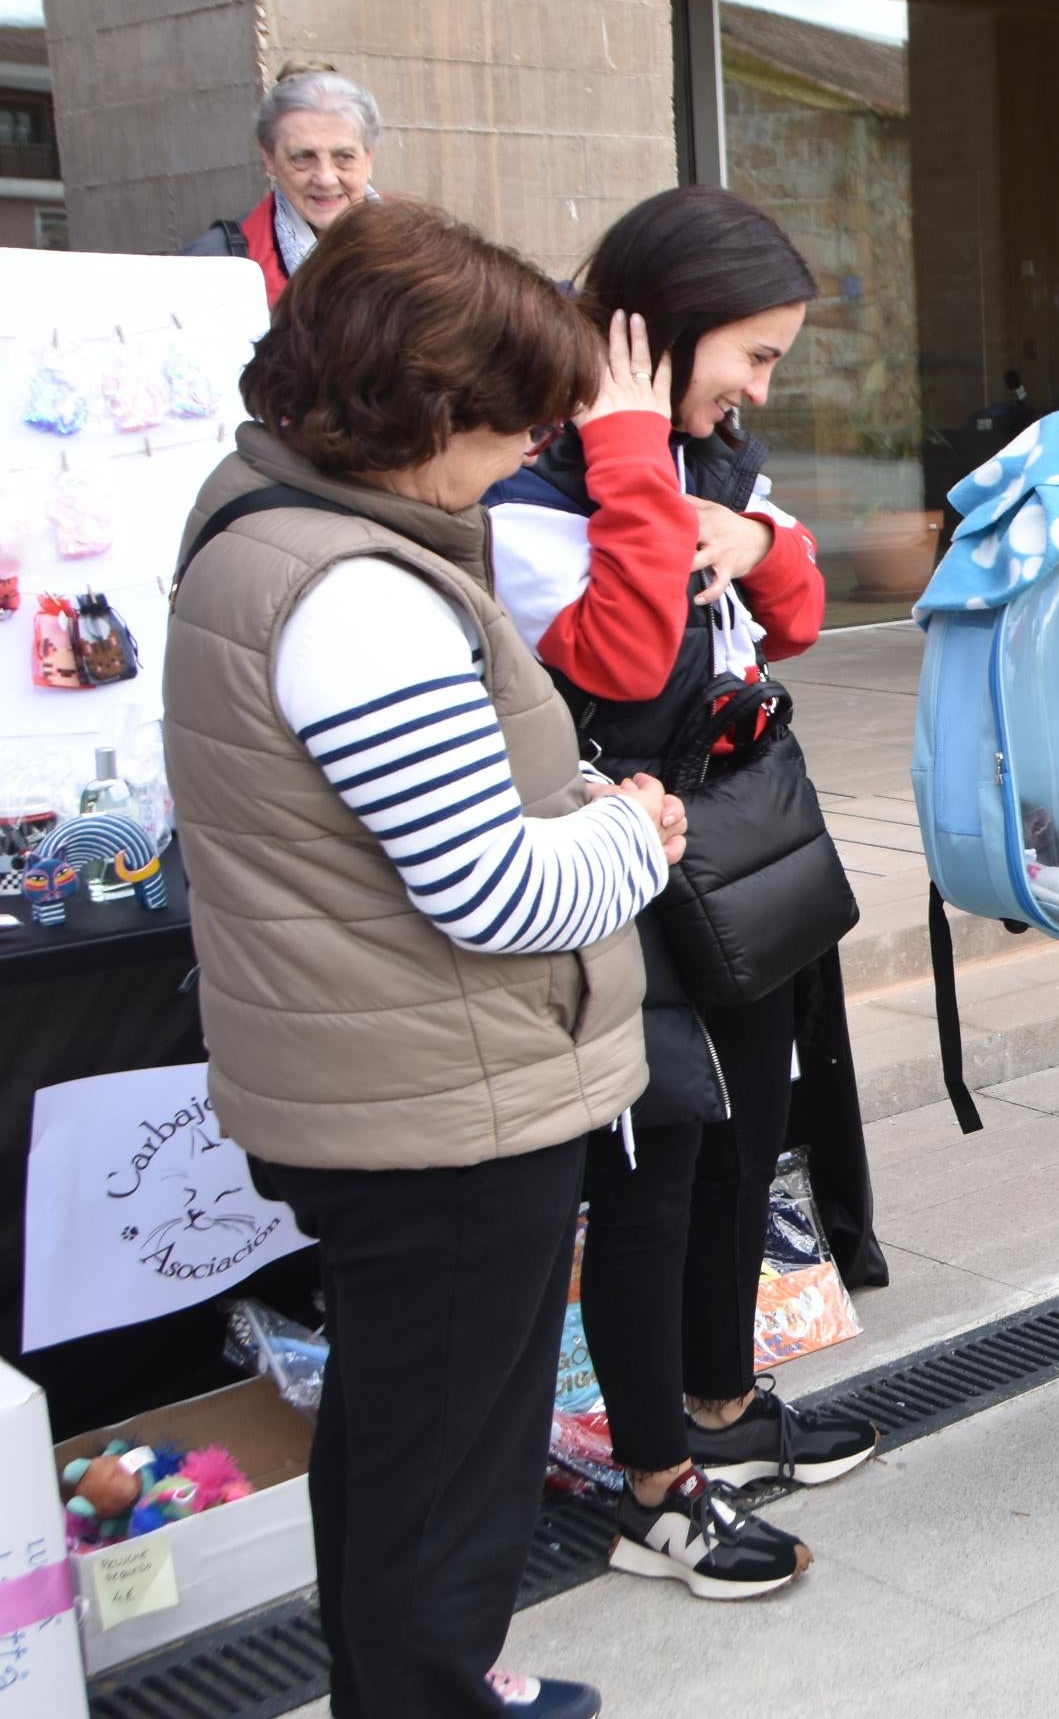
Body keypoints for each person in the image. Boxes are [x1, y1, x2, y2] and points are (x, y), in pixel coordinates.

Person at [165, 200, 678, 1719]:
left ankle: (433, 1677)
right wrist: (638, 832)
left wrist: (565, 797)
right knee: (445, 1462)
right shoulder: (364, 597)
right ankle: (433, 1695)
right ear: (426, 412)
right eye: (516, 424)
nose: (529, 454)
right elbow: (495, 890)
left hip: (380, 1077)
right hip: (437, 1104)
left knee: (405, 1441)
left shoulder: (266, 520)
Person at [485, 187, 878, 1599]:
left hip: (738, 846)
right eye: (755, 355)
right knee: (660, 1163)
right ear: (665, 330)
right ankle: (654, 1480)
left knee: (750, 1131)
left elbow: (801, 613)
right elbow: (625, 653)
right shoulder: (532, 487)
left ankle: (719, 1397)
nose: (763, 388)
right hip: (619, 870)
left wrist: (762, 544)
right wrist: (636, 457)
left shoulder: (713, 457)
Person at [179, 61, 381, 305]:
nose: (326, 179)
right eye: (303, 158)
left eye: (343, 157)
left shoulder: (420, 249)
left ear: (369, 157)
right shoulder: (214, 265)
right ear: (269, 158)